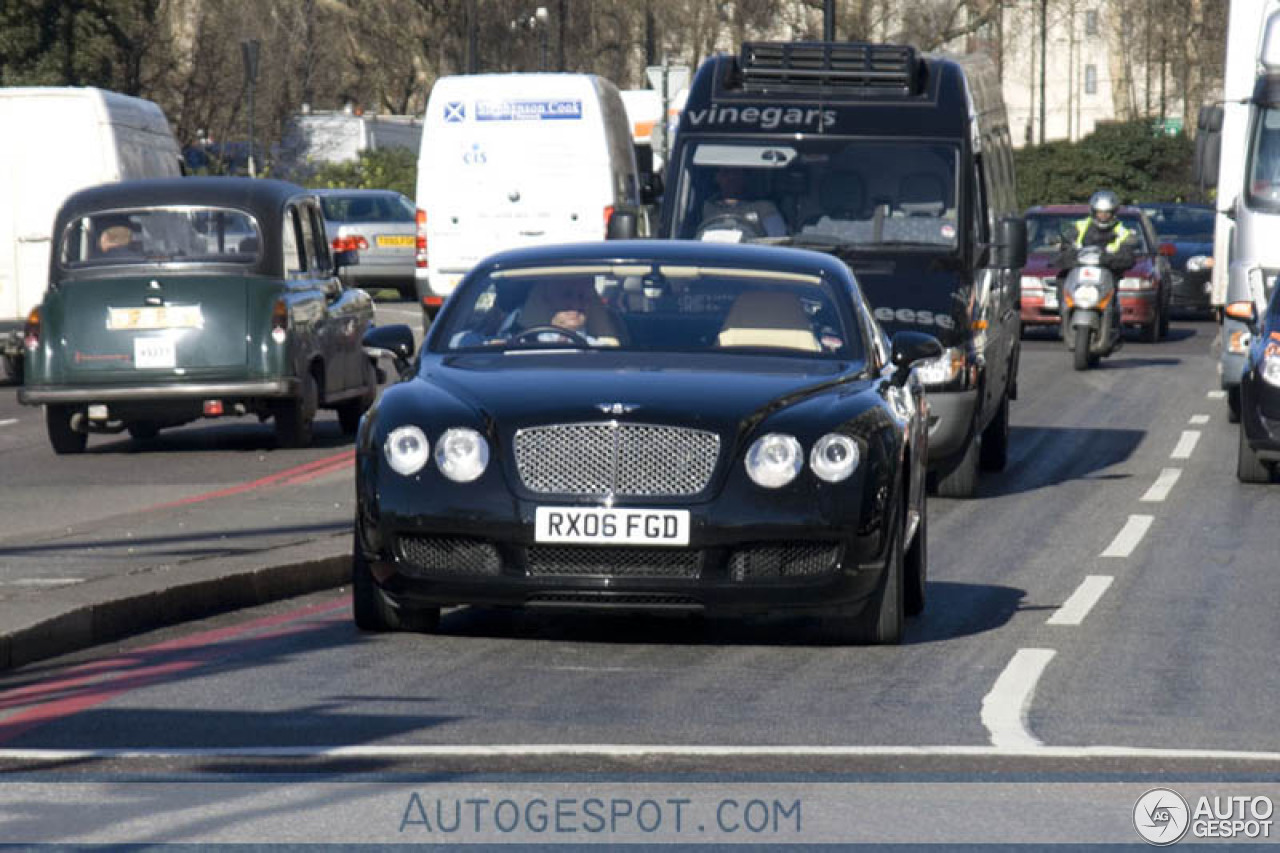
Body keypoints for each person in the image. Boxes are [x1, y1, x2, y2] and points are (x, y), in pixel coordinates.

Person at [698, 167, 788, 238]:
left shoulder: (765, 208)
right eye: (726, 173)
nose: (731, 178)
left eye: (735, 173)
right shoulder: (705, 208)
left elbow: (779, 239)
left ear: (745, 177)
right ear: (717, 177)